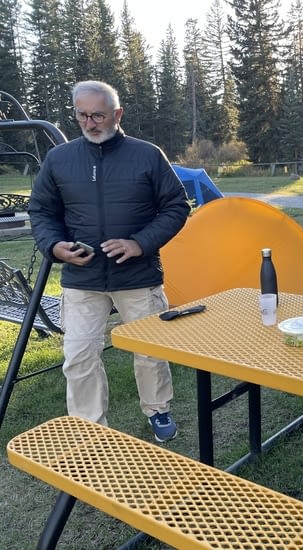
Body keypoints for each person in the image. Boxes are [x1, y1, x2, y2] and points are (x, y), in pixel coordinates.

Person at [28, 80, 190, 442]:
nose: (90, 123)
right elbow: (40, 210)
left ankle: (158, 409)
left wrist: (139, 243)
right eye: (82, 115)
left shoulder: (147, 154)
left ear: (117, 114)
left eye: (98, 115)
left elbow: (177, 207)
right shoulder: (60, 159)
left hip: (138, 275)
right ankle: (89, 428)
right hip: (82, 278)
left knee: (149, 350)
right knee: (79, 355)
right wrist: (54, 246)